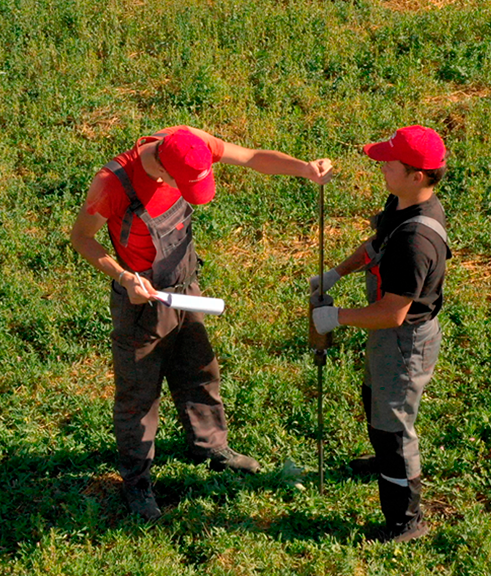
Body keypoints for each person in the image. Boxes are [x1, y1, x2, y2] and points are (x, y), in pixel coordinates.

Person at [71, 125, 332, 521]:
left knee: (199, 369)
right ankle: (138, 483)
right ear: (166, 173)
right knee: (138, 396)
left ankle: (209, 445)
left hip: (186, 287)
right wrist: (125, 278)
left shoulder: (189, 142)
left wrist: (305, 169)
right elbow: (82, 239)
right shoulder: (112, 184)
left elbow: (253, 157)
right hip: (142, 299)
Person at [311, 125, 450, 543]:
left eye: (391, 163)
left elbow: (392, 313)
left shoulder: (417, 241)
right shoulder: (401, 205)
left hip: (405, 341)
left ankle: (406, 520)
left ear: (417, 175)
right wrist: (337, 272)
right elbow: (376, 246)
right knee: (375, 399)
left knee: (394, 428)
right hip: (388, 336)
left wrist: (337, 317)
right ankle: (383, 461)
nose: (382, 166)